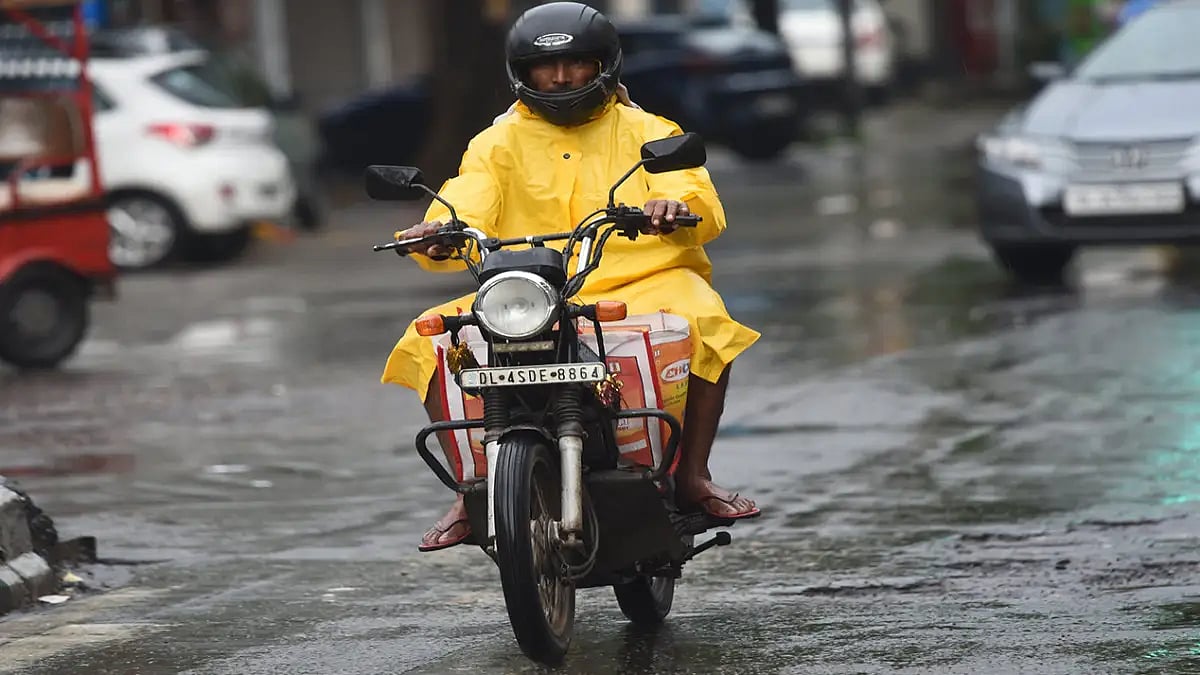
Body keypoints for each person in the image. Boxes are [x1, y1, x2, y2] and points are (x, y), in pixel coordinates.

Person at [381, 2, 762, 552]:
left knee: (708, 321)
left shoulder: (650, 130)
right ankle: (471, 490)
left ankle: (692, 475)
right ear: (521, 73)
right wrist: (440, 229)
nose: (559, 78)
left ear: (603, 66)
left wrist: (672, 206)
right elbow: (468, 198)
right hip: (530, 289)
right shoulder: (495, 142)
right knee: (429, 334)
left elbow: (695, 194)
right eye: (544, 67)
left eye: (575, 64)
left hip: (644, 279)